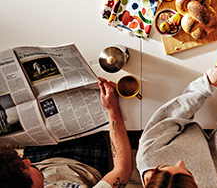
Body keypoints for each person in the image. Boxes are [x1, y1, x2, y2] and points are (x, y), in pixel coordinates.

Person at [136, 64, 217, 188]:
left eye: (164, 166)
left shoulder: (148, 154)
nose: (181, 162)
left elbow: (174, 114)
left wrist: (206, 86)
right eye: (188, 173)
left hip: (188, 124)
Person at [0, 78, 132, 188]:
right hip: (81, 161)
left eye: (22, 162)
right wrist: (112, 109)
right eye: (25, 168)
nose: (27, 161)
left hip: (40, 157)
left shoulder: (26, 169)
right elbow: (122, 170)